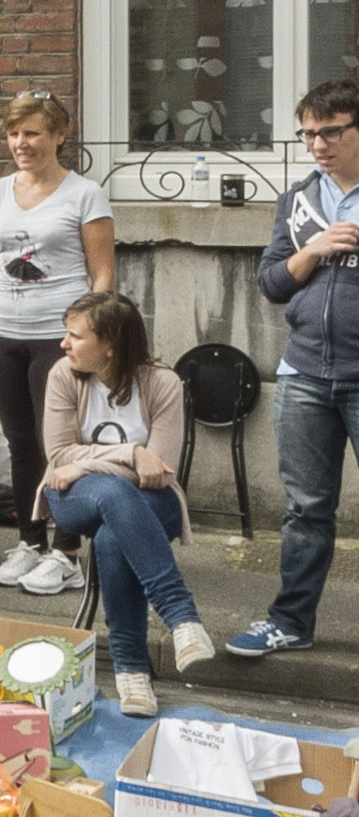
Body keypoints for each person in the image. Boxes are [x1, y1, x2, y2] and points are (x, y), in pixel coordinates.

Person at [0, 91, 116, 595]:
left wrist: (91, 339)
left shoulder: (84, 194)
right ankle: (30, 541)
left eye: (32, 133)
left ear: (59, 136)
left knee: (64, 445)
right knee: (21, 442)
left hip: (59, 339)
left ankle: (66, 552)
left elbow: (103, 273)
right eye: (13, 133)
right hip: (2, 335)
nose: (21, 143)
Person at [37, 291, 213, 716]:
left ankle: (132, 671)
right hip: (72, 498)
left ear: (110, 346)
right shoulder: (63, 375)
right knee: (114, 494)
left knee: (114, 535)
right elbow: (58, 456)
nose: (64, 343)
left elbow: (158, 471)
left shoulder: (163, 382)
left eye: (76, 336)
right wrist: (131, 453)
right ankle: (181, 618)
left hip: (154, 503)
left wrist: (88, 464)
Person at [233, 77, 359, 658]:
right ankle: (291, 622)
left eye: (330, 131)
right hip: (304, 374)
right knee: (306, 509)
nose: (317, 145)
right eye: (309, 133)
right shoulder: (300, 200)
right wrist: (314, 250)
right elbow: (271, 284)